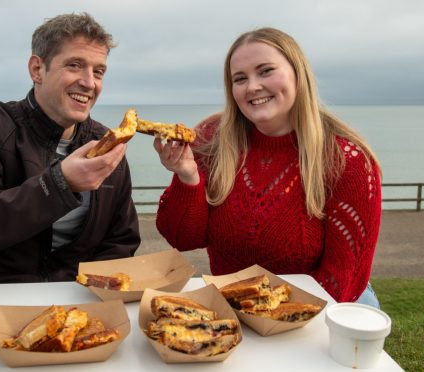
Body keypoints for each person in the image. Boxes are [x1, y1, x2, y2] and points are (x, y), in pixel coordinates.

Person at [0, 13, 140, 342]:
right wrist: (60, 184)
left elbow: (121, 243)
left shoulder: (107, 144)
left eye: (98, 71)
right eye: (75, 65)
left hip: (79, 301)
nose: (89, 82)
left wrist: (90, 299)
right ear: (37, 69)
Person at [153, 27, 382, 307]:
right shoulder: (212, 137)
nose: (252, 87)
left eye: (265, 71)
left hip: (328, 308)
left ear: (298, 73)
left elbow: (341, 280)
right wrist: (187, 177)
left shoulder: (347, 161)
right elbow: (183, 238)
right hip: (239, 309)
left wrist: (266, 317)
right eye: (240, 78)